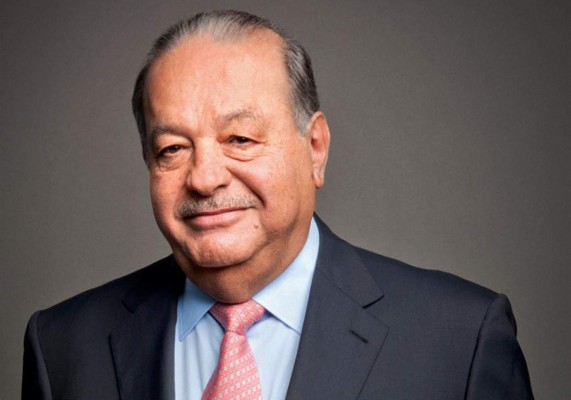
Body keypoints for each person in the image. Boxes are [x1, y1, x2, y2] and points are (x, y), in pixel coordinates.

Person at [22, 10, 533, 400]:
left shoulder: (460, 340)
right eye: (172, 149)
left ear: (315, 149)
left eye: (240, 139)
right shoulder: (62, 346)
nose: (204, 177)